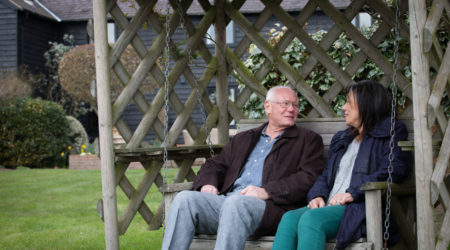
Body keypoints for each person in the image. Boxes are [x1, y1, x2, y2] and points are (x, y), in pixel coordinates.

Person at [161, 86, 325, 250]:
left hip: (270, 208)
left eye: (295, 105)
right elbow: (215, 164)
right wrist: (208, 184)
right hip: (228, 202)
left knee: (236, 203)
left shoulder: (307, 140)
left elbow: (308, 178)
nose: (291, 109)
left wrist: (267, 191)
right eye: (285, 104)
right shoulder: (245, 138)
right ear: (268, 106)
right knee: (184, 199)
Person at [271, 80, 412, 250]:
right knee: (289, 219)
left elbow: (394, 169)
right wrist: (317, 195)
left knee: (311, 220)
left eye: (349, 102)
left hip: (360, 208)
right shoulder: (344, 138)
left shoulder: (392, 132)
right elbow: (326, 174)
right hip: (330, 205)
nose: (343, 108)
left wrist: (353, 192)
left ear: (366, 105)